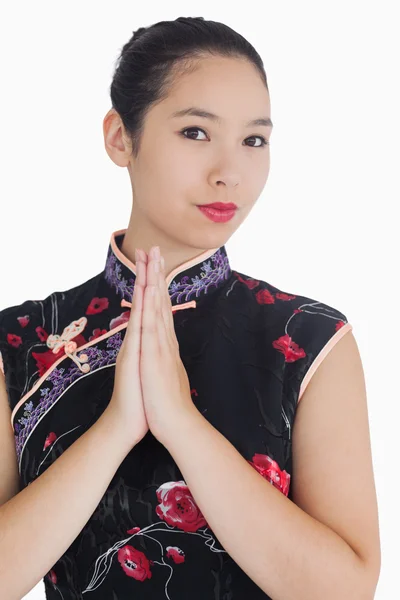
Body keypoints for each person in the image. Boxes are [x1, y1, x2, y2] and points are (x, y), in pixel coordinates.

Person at [0, 16, 380, 600]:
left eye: (253, 140)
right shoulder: (21, 341)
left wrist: (181, 422)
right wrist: (114, 429)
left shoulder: (310, 340)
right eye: (197, 133)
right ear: (120, 138)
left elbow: (346, 590)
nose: (229, 172)